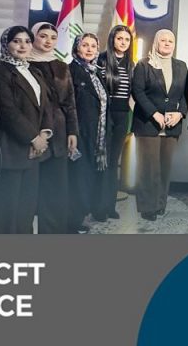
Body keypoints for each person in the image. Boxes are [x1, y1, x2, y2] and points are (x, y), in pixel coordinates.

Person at [0, 26, 53, 234]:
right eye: (16, 41)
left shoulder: (34, 71)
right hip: (11, 149)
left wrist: (44, 135)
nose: (23, 46)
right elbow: (7, 110)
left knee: (26, 208)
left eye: (27, 41)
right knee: (6, 210)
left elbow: (46, 106)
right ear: (6, 44)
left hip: (35, 151)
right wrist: (32, 138)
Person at [131, 29, 188, 221]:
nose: (167, 43)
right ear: (156, 42)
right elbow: (138, 92)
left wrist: (180, 113)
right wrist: (154, 113)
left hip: (171, 126)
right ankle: (148, 207)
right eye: (163, 40)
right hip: (148, 124)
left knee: (164, 168)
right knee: (149, 169)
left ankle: (160, 203)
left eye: (170, 41)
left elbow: (186, 94)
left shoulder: (181, 66)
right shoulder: (143, 65)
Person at [28, 22, 79, 233]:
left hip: (59, 131)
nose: (48, 41)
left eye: (53, 37)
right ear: (33, 37)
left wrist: (72, 131)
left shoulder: (61, 66)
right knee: (30, 190)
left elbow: (69, 102)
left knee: (56, 188)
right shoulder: (24, 64)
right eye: (43, 36)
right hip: (33, 130)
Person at [69, 33, 108, 233]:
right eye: (85, 45)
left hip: (96, 133)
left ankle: (83, 214)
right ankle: (73, 220)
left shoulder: (96, 72)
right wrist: (72, 131)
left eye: (93, 46)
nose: (90, 49)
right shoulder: (71, 71)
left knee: (88, 176)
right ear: (77, 48)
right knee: (78, 178)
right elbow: (68, 105)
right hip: (79, 133)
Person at [96, 24, 133, 221]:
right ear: (112, 39)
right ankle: (98, 207)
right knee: (102, 161)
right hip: (104, 115)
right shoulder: (101, 60)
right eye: (120, 38)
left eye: (127, 39)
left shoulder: (130, 63)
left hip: (122, 116)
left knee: (113, 163)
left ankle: (110, 206)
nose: (123, 42)